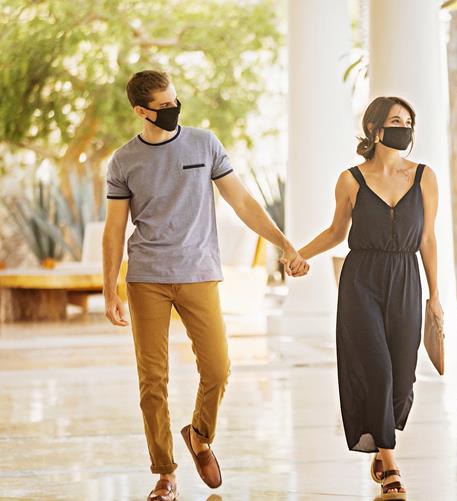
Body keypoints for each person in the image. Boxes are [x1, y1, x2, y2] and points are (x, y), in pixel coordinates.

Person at [101, 70, 308, 501]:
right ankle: (164, 474)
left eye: (176, 100)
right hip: (147, 279)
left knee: (217, 368)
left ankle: (199, 434)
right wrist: (109, 289)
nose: (174, 109)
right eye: (163, 105)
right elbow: (114, 230)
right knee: (152, 380)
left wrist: (286, 244)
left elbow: (244, 202)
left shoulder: (204, 143)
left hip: (199, 272)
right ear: (141, 111)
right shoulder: (123, 161)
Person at [297, 96, 443, 499]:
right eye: (396, 120)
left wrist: (435, 297)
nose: (405, 127)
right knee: (376, 367)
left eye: (410, 121)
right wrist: (298, 254)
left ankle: (382, 437)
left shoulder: (425, 177)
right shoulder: (350, 180)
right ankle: (390, 460)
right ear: (376, 128)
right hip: (360, 279)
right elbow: (334, 233)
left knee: (402, 375)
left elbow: (428, 239)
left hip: (406, 277)